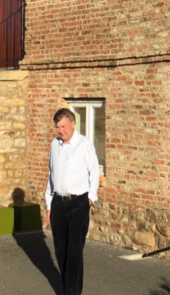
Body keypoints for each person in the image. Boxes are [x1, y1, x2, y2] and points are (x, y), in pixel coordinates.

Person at [45, 108, 99, 295]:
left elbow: (94, 171)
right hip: (58, 202)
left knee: (74, 251)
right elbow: (51, 175)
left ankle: (73, 292)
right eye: (58, 127)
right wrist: (49, 203)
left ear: (73, 123)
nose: (60, 131)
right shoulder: (54, 145)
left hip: (78, 203)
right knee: (60, 251)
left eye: (63, 126)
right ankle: (67, 288)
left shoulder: (84, 144)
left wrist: (90, 198)